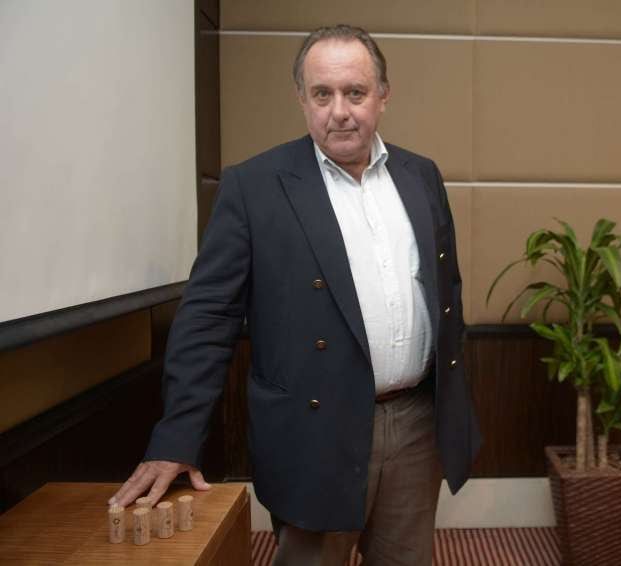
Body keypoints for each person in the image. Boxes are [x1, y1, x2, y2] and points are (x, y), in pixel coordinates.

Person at [109, 24, 481, 565]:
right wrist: (176, 438)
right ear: (301, 99)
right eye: (322, 94)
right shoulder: (254, 186)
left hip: (415, 426)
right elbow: (208, 317)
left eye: (355, 92)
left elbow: (447, 292)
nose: (340, 111)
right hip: (313, 432)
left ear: (383, 95)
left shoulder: (420, 176)